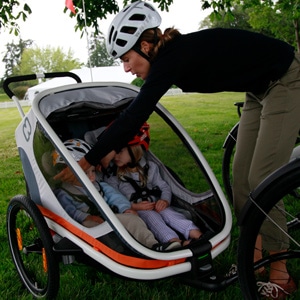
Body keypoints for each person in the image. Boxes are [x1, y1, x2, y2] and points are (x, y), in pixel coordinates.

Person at [54, 1, 300, 297]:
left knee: (262, 179)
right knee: (241, 179)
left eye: (127, 58)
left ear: (145, 46)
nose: (126, 67)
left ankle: (281, 274)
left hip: (284, 80)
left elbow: (135, 115)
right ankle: (256, 257)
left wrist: (89, 159)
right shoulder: (170, 57)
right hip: (257, 90)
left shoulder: (172, 57)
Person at [53, 138, 181, 251]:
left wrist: (125, 209)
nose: (92, 177)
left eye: (93, 171)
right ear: (66, 174)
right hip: (87, 223)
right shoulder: (64, 192)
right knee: (92, 227)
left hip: (111, 217)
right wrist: (85, 217)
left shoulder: (99, 185)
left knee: (132, 220)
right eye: (86, 173)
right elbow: (68, 211)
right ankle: (119, 250)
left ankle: (152, 245)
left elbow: (115, 197)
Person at [104, 122, 202, 246]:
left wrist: (165, 201)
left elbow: (164, 186)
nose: (115, 156)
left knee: (170, 214)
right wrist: (134, 207)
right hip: (137, 210)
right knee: (153, 219)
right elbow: (113, 199)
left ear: (134, 150)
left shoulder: (150, 167)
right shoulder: (113, 176)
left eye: (120, 152)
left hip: (155, 203)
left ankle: (197, 235)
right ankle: (175, 242)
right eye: (114, 153)